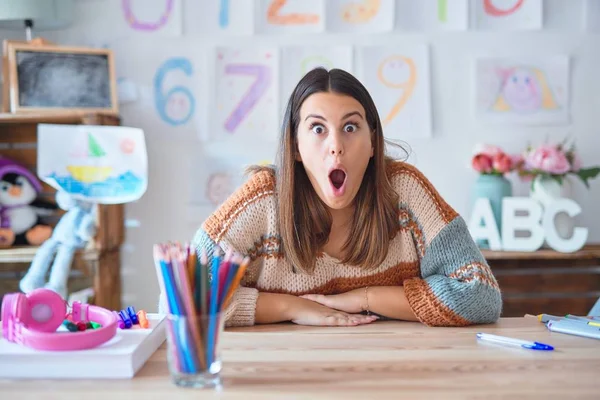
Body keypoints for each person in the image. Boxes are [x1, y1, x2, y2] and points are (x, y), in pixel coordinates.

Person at [191, 68, 502, 328]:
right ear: (296, 146)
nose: (336, 145)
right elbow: (185, 296)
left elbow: (480, 294)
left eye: (351, 127)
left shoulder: (404, 190)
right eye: (317, 129)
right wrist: (294, 308)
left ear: (372, 143)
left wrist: (365, 298)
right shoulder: (262, 199)